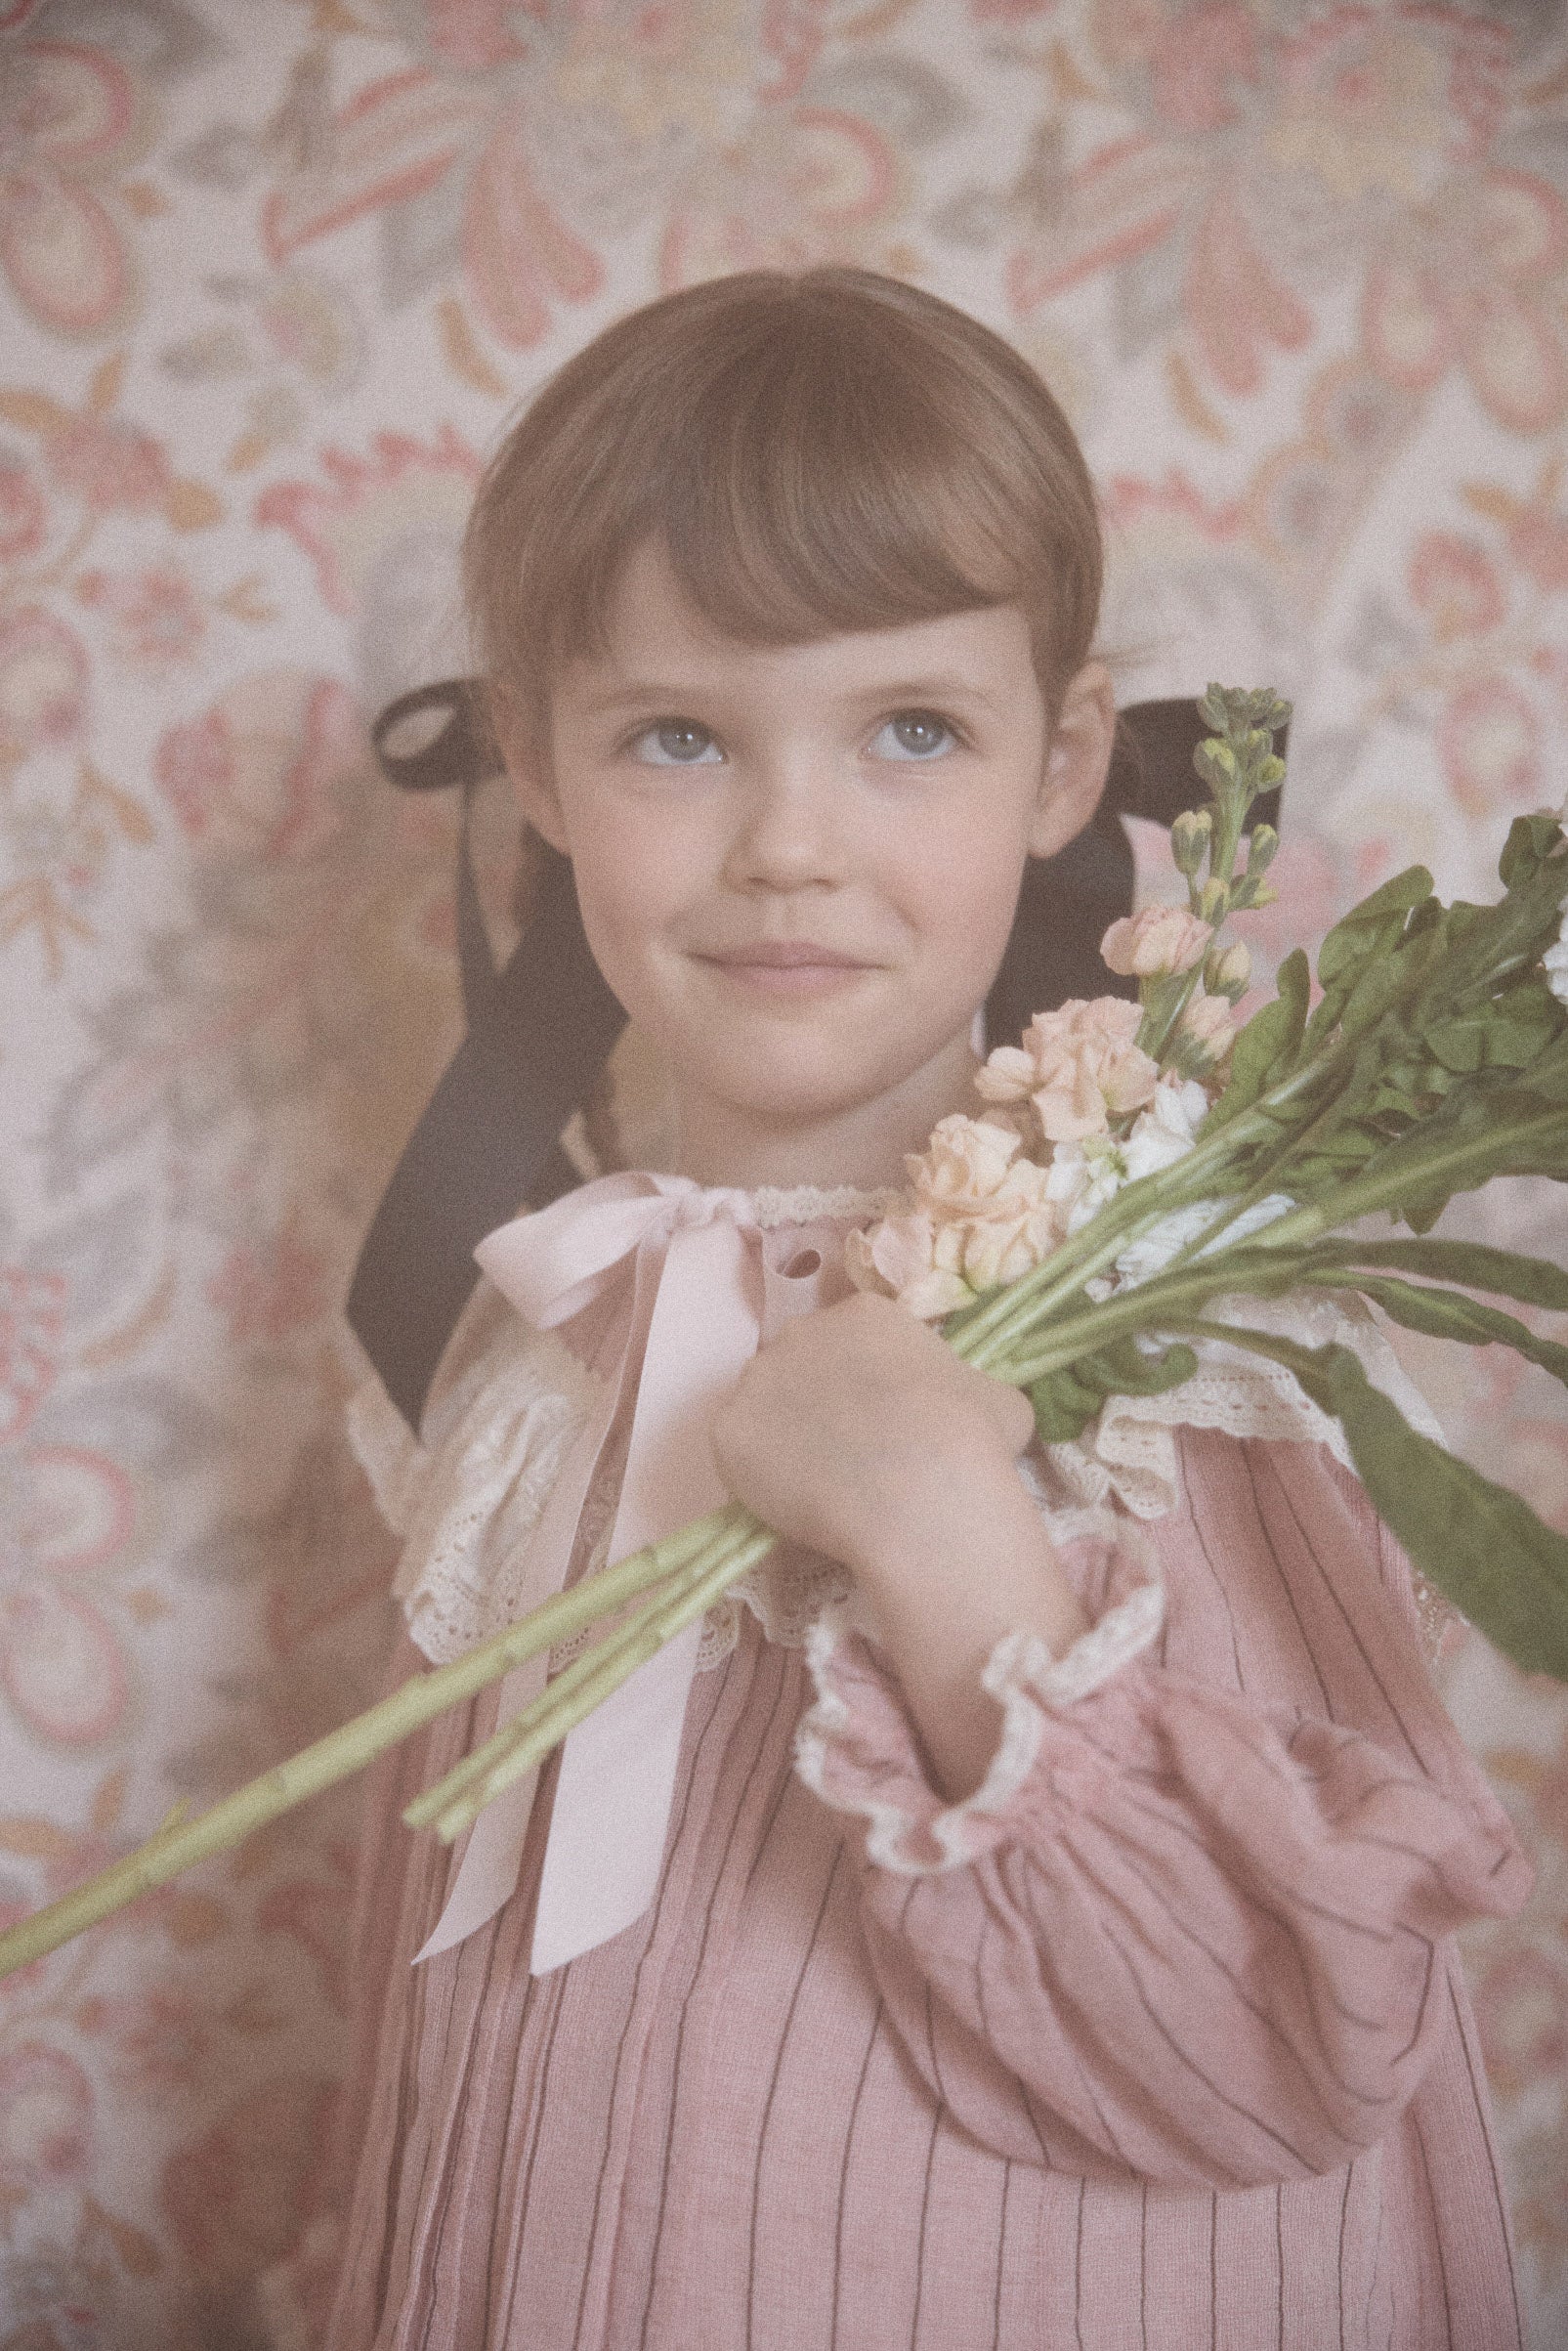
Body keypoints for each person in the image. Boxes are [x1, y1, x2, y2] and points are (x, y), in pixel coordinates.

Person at [316, 270, 1530, 2350]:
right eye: (679, 735)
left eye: (907, 730)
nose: (789, 845)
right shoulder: (543, 1327)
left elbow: (1284, 2049)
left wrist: (955, 1548)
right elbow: (435, 2027)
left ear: (1058, 762)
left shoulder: (1175, 1355)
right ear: (533, 764)